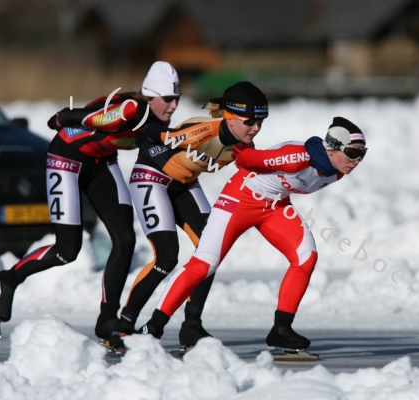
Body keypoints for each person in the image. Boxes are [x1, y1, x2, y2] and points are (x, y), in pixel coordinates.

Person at [134, 116, 367, 351]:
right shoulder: (298, 157)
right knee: (204, 263)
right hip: (241, 199)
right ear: (332, 147)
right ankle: (153, 327)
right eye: (352, 152)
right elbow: (245, 158)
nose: (357, 161)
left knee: (306, 257)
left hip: (275, 206)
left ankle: (281, 330)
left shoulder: (337, 169)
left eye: (362, 154)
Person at [0, 61, 181, 341]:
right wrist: (66, 117)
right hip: (66, 157)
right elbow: (97, 119)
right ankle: (9, 278)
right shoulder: (134, 108)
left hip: (101, 163)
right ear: (151, 96)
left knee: (125, 240)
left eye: (176, 99)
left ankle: (107, 319)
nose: (173, 106)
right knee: (68, 250)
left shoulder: (158, 116)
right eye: (168, 99)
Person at [108, 81, 269, 349]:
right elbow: (150, 132)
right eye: (250, 120)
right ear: (229, 116)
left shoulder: (244, 146)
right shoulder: (204, 131)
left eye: (261, 121)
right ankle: (124, 324)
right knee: (167, 256)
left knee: (210, 252)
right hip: (152, 178)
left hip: (185, 184)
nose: (256, 127)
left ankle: (191, 326)